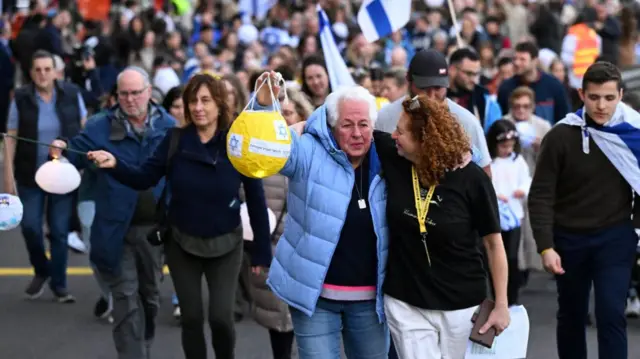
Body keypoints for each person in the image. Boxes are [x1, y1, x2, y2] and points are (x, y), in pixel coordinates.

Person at [88, 73, 273, 359]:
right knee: (191, 318)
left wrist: (262, 252)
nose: (198, 107)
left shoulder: (238, 141)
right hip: (182, 242)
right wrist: (115, 164)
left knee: (221, 319)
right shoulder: (174, 140)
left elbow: (257, 198)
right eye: (193, 101)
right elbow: (144, 177)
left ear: (219, 104)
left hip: (226, 243)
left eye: (205, 101)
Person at [258, 74, 390, 359]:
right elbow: (267, 150)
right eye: (347, 125)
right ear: (331, 126)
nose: (356, 133)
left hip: (370, 301)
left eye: (363, 124)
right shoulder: (308, 151)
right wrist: (263, 107)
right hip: (316, 298)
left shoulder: (388, 157)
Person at [49, 66, 176, 359]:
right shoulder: (99, 127)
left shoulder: (169, 127)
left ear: (149, 92)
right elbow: (72, 154)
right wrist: (59, 148)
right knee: (125, 299)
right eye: (124, 94)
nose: (130, 99)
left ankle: (142, 346)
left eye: (136, 93)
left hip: (153, 231)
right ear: (116, 96)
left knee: (150, 299)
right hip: (114, 230)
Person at [372, 95, 510, 358]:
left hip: (462, 305)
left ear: (424, 140)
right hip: (406, 302)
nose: (393, 136)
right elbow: (347, 126)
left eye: (401, 131)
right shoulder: (395, 157)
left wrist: (501, 304)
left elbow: (494, 244)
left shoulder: (472, 179)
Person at [529, 61, 640, 359]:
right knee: (572, 315)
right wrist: (545, 246)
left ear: (620, 95)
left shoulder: (634, 133)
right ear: (581, 94)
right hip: (568, 240)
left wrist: (636, 229)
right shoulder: (560, 136)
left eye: (608, 98)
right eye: (593, 97)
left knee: (610, 314)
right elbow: (540, 195)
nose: (601, 105)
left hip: (615, 237)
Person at [4, 50, 88, 303]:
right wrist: (7, 179)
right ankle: (43, 269)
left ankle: (60, 285)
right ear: (31, 73)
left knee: (60, 232)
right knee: (30, 226)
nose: (42, 74)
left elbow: (84, 130)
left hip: (62, 174)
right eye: (37, 69)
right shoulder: (20, 98)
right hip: (29, 174)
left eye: (47, 69)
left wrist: (78, 155)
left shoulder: (72, 94)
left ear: (56, 71)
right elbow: (11, 137)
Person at [375, 49, 492, 175]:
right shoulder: (385, 116)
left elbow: (485, 178)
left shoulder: (467, 122)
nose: (431, 96)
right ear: (408, 80)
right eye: (423, 87)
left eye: (438, 88)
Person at [486, 120, 531, 305]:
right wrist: (496, 195)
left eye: (511, 146)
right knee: (494, 256)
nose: (507, 150)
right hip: (494, 215)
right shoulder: (490, 163)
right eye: (503, 146)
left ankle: (511, 297)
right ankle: (497, 295)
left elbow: (526, 179)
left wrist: (522, 189)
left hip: (513, 215)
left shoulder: (517, 160)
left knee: (511, 257)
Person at [497, 41, 571, 125]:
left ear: (534, 61)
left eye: (522, 59)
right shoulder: (506, 88)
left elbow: (564, 118)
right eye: (515, 59)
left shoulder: (554, 85)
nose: (517, 63)